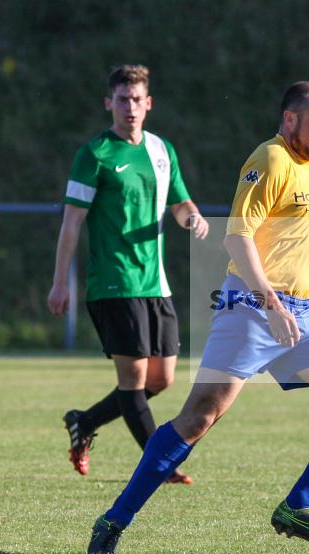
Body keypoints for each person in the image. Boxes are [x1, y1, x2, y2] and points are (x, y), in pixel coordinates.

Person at [86, 81, 309, 554]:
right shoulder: (269, 159)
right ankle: (114, 519)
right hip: (252, 306)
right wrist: (270, 303)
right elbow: (237, 238)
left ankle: (300, 507)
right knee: (199, 417)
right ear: (290, 120)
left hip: (305, 312)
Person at [47, 64, 209, 485]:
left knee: (162, 379)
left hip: (155, 283)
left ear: (149, 103)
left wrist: (193, 218)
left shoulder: (161, 150)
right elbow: (71, 223)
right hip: (114, 284)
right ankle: (161, 464)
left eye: (137, 99)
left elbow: (180, 204)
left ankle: (84, 421)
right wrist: (60, 279)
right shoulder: (94, 155)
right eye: (122, 99)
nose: (130, 107)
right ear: (109, 104)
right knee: (133, 382)